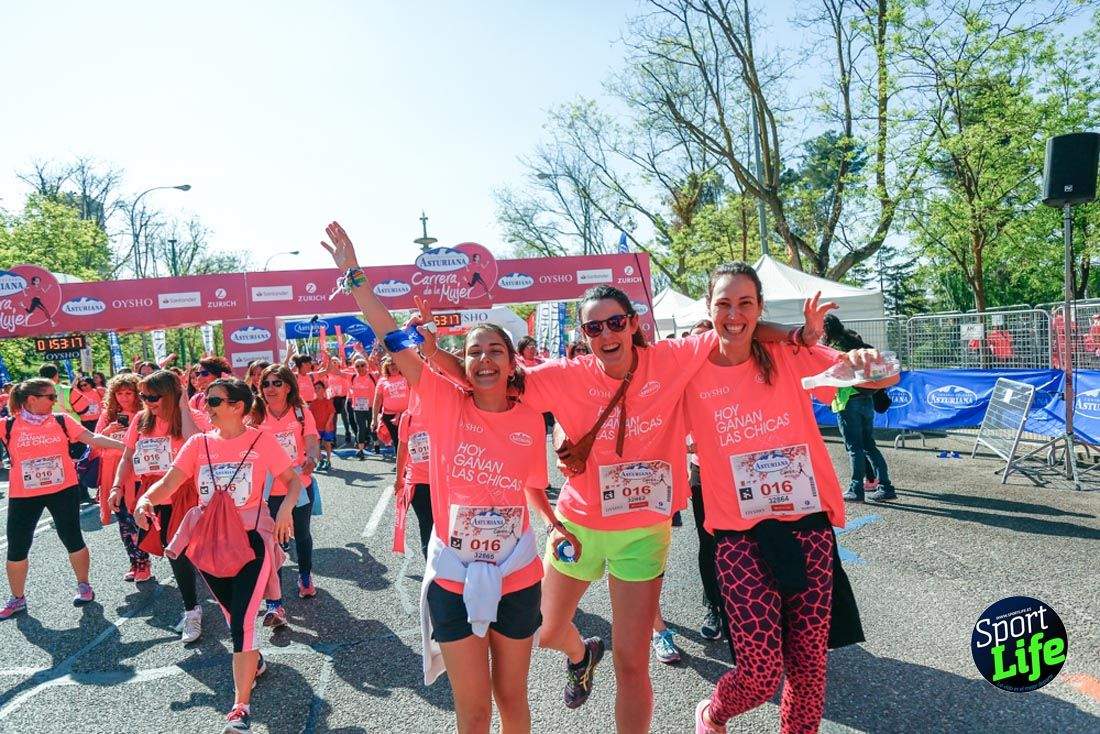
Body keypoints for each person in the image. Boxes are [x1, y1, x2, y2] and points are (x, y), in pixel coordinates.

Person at [423, 283, 826, 733]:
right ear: (584, 333)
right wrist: (436, 355)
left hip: (644, 530)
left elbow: (733, 325)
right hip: (581, 525)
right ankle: (582, 654)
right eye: (594, 327)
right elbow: (486, 376)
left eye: (616, 322)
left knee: (633, 663)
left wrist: (796, 335)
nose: (607, 334)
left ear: (633, 324)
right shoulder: (564, 375)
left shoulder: (673, 359)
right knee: (549, 631)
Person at [323, 222, 562, 734]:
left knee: (512, 700)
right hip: (453, 573)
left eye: (494, 351)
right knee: (473, 711)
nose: (483, 359)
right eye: (474, 352)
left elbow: (534, 487)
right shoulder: (443, 400)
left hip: (517, 572)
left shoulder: (527, 417)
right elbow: (390, 331)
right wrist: (353, 273)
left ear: (511, 361)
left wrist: (556, 523)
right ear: (464, 364)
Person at [683, 263, 877, 734]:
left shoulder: (785, 355)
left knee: (809, 668)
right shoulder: (687, 369)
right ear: (709, 309)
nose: (735, 313)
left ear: (759, 308)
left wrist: (870, 366)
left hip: (807, 525)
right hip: (739, 537)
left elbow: (861, 377)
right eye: (724, 303)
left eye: (745, 303)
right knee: (760, 672)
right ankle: (713, 712)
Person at [134, 378, 301, 733]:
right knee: (230, 615)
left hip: (251, 543)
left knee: (242, 623)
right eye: (208, 401)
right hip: (208, 544)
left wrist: (285, 510)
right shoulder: (197, 444)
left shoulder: (261, 440)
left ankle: (240, 709)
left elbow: (294, 480)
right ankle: (253, 664)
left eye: (214, 401)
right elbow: (169, 483)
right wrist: (145, 498)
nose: (206, 407)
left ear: (238, 406)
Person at [1, 378, 125, 619]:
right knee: (17, 546)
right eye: (50, 397)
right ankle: (17, 598)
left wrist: (127, 447)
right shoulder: (8, 426)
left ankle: (84, 586)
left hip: (63, 490)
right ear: (31, 400)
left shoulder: (61, 420)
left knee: (72, 537)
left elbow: (94, 439)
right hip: (23, 495)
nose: (55, 401)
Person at [111, 370, 203, 643]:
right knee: (175, 552)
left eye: (153, 397)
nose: (146, 402)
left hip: (187, 493)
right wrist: (117, 486)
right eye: (143, 396)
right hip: (154, 494)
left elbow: (194, 442)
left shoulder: (191, 418)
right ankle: (194, 607)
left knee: (185, 553)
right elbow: (127, 457)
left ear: (171, 395)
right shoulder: (141, 420)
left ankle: (196, 610)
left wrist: (184, 406)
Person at [250, 363, 321, 608]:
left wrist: (312, 458)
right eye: (266, 383)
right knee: (273, 540)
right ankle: (274, 596)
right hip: (268, 488)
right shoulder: (255, 412)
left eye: (276, 383)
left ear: (288, 386)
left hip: (298, 483)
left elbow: (311, 441)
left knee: (301, 534)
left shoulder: (301, 411)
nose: (270, 388)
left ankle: (304, 576)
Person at [822, 314, 897, 503]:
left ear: (825, 330)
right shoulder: (853, 339)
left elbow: (833, 375)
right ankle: (885, 486)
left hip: (848, 399)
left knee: (854, 447)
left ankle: (856, 489)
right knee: (869, 445)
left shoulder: (833, 348)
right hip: (867, 397)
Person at [93, 374, 144, 577]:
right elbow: (95, 445)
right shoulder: (107, 415)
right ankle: (138, 563)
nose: (123, 398)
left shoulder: (145, 413)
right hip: (113, 473)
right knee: (123, 520)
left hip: (139, 473)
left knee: (139, 518)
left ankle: (148, 558)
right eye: (119, 393)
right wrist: (107, 430)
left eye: (128, 393)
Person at [394, 385, 432, 558]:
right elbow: (402, 449)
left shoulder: (447, 412)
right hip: (418, 482)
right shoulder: (407, 417)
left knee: (447, 530)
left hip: (445, 483)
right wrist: (399, 480)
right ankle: (433, 576)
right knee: (426, 526)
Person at [372, 357, 408, 450]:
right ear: (386, 367)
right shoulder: (382, 380)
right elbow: (377, 401)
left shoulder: (407, 376)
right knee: (397, 440)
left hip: (407, 414)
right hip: (390, 416)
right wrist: (374, 419)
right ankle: (400, 463)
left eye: (395, 363)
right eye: (390, 364)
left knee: (409, 439)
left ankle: (410, 463)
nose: (393, 366)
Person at [347, 356, 377, 458]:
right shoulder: (353, 377)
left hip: (371, 407)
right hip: (358, 407)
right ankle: (361, 450)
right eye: (357, 366)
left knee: (372, 426)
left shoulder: (373, 376)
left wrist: (367, 356)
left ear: (366, 366)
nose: (360, 368)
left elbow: (381, 368)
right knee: (361, 428)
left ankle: (376, 443)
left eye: (362, 365)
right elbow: (336, 372)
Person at [310, 381, 336, 471]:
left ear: (324, 389)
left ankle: (328, 460)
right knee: (317, 445)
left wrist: (328, 424)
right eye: (315, 388)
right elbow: (310, 416)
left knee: (327, 444)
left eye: (319, 388)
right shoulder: (313, 403)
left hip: (327, 427)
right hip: (317, 428)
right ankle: (320, 460)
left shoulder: (328, 401)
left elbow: (332, 413)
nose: (317, 390)